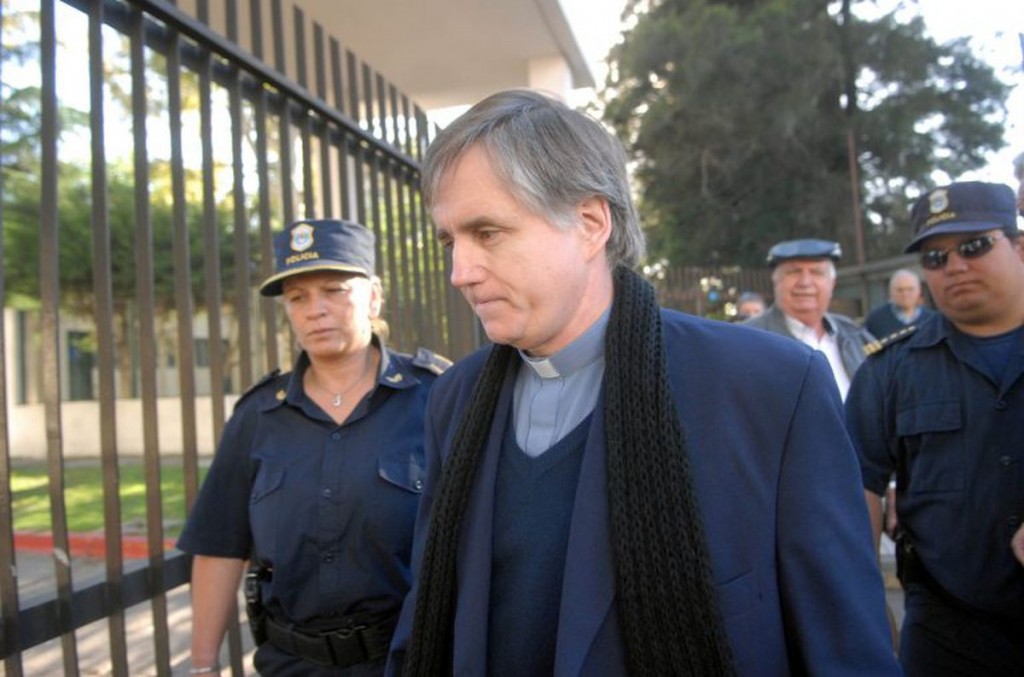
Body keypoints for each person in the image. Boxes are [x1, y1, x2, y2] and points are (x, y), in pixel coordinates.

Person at [386, 89, 899, 676]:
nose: (460, 272)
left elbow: (843, 646)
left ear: (590, 223)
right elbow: (427, 614)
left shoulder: (769, 388)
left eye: (488, 233)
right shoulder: (455, 398)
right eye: (450, 241)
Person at [177, 219, 449, 676]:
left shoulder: (435, 397)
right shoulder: (258, 415)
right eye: (298, 298)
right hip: (291, 664)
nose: (315, 310)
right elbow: (219, 546)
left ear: (374, 297)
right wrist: (203, 667)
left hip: (410, 659)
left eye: (334, 290)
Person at [846, 181, 1024, 676]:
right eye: (935, 258)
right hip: (948, 627)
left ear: (1019, 247)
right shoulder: (890, 370)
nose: (955, 266)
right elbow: (860, 486)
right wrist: (866, 603)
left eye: (974, 246)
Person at [743, 238, 874, 400]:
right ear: (776, 281)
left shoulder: (855, 335)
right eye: (794, 272)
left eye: (817, 272)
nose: (805, 282)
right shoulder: (746, 340)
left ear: (832, 284)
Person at [863, 269, 935, 339]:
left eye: (910, 289)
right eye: (900, 290)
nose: (905, 294)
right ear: (891, 292)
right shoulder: (875, 320)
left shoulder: (932, 320)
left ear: (919, 291)